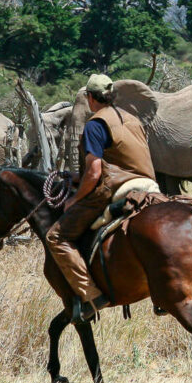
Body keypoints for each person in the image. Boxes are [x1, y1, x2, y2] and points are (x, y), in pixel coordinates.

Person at [46, 74, 156, 321]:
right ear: (111, 95)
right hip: (149, 184)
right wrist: (74, 177)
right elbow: (119, 160)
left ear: (89, 98)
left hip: (119, 185)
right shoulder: (132, 119)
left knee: (56, 236)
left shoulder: (96, 124)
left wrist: (75, 199)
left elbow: (95, 172)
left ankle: (92, 297)